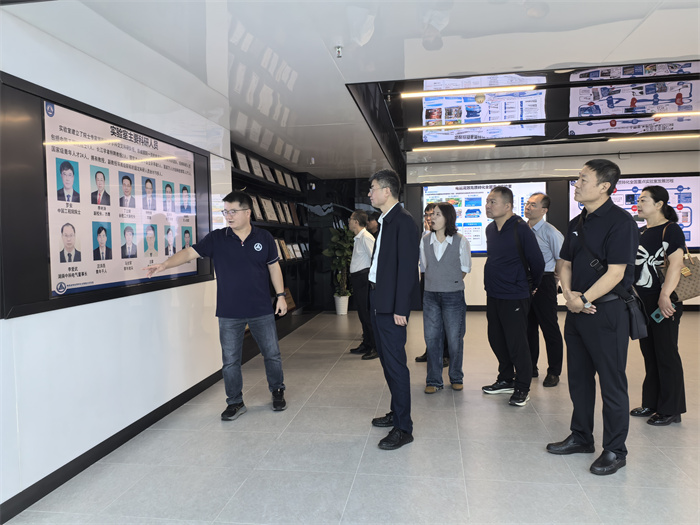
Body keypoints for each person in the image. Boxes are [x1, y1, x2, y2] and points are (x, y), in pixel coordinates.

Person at [145, 191, 288, 419]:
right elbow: (189, 253)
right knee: (230, 361)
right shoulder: (217, 238)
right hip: (229, 312)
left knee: (271, 354)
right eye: (225, 211)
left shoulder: (264, 238)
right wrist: (165, 265)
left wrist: (280, 295)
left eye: (233, 211)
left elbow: (274, 267)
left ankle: (277, 391)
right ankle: (235, 402)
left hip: (261, 309)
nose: (228, 216)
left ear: (247, 212)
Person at [547, 159, 639, 476]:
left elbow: (616, 273)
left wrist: (584, 299)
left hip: (607, 312)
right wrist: (570, 296)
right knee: (579, 379)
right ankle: (581, 436)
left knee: (612, 382)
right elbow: (565, 263)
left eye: (583, 179)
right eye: (578, 178)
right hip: (577, 311)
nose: (577, 184)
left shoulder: (621, 222)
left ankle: (615, 449)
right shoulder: (577, 222)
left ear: (604, 187)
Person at [366, 169, 420, 450]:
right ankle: (396, 412)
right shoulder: (386, 220)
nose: (369, 193)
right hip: (379, 299)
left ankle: (403, 428)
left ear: (387, 191)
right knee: (387, 362)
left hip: (392, 307)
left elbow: (408, 269)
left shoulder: (403, 221)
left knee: (396, 365)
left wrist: (401, 308)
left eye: (373, 188)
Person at [481, 186, 544, 407]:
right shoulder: (490, 229)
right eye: (487, 201)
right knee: (496, 338)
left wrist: (532, 286)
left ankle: (522, 387)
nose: (488, 206)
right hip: (494, 293)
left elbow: (537, 262)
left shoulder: (520, 229)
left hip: (515, 295)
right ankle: (506, 378)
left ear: (507, 206)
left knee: (517, 343)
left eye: (493, 202)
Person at [631, 185, 686, 426]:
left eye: (644, 200)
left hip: (664, 301)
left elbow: (676, 264)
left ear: (659, 204)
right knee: (650, 354)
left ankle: (671, 409)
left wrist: (665, 295)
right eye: (638, 200)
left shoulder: (670, 229)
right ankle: (652, 403)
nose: (638, 204)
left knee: (666, 353)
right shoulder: (641, 232)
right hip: (643, 302)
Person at [421, 202, 471, 393]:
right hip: (430, 296)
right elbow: (425, 267)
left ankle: (456, 376)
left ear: (448, 218)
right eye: (432, 214)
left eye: (437, 214)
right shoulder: (425, 240)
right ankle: (433, 380)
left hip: (453, 296)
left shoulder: (460, 240)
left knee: (455, 338)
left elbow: (464, 269)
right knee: (432, 338)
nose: (432, 217)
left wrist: (449, 283)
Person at [524, 192, 565, 387]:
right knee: (528, 327)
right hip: (524, 281)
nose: (528, 207)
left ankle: (554, 371)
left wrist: (554, 281)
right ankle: (531, 367)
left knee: (549, 327)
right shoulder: (522, 229)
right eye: (527, 203)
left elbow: (561, 260)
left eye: (533, 204)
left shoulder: (551, 232)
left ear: (544, 210)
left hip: (545, 280)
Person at [415, 202, 450, 367]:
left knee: (443, 319)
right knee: (430, 318)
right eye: (427, 215)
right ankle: (431, 350)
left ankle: (445, 354)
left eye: (433, 214)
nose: (429, 218)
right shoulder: (424, 235)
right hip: (426, 278)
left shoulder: (444, 236)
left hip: (441, 281)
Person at [348, 210, 377, 360]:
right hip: (358, 279)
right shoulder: (358, 238)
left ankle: (375, 347)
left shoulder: (366, 237)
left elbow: (375, 258)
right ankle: (366, 343)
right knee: (361, 313)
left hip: (364, 279)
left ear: (356, 222)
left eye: (350, 219)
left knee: (367, 314)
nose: (349, 221)